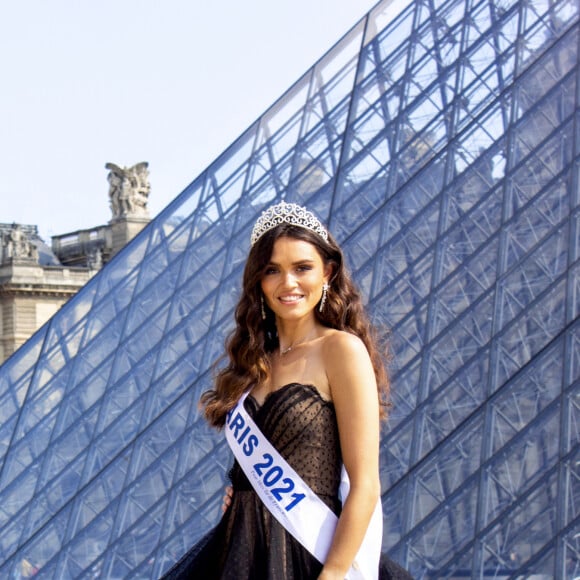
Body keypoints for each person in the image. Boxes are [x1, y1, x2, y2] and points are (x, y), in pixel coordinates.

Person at [162, 201, 412, 579]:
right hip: (240, 554)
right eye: (272, 270)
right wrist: (241, 491)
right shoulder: (254, 359)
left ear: (328, 272)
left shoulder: (340, 350)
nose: (288, 283)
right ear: (258, 281)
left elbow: (365, 485)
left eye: (302, 268)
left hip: (308, 556)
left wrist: (333, 574)